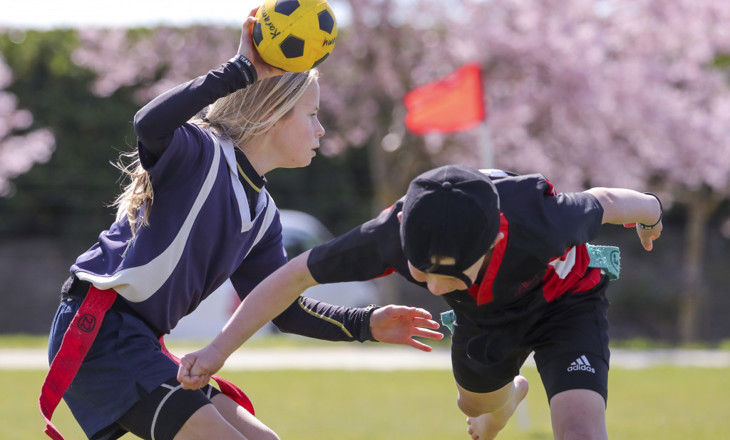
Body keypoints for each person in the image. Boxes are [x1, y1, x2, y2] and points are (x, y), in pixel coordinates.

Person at [40, 11, 443, 440]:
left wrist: (367, 323)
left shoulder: (265, 214)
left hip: (138, 340)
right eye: (312, 115)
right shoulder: (201, 152)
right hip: (100, 331)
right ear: (273, 114)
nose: (322, 130)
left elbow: (282, 308)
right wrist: (239, 71)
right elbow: (148, 123)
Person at [178, 164, 664, 440]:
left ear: (494, 243)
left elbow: (608, 200)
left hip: (566, 306)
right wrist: (217, 351)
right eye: (420, 273)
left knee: (581, 432)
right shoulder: (390, 235)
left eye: (446, 277)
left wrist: (652, 211)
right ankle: (504, 399)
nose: (432, 289)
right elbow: (291, 277)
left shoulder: (544, 219)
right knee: (470, 403)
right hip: (484, 321)